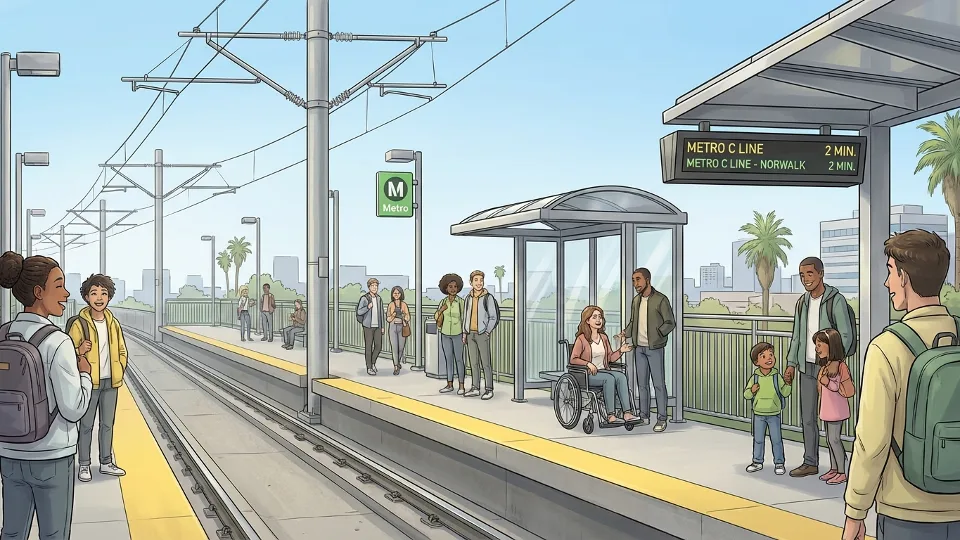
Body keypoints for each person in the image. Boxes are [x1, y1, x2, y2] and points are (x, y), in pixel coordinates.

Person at [843, 230, 960, 540]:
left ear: (904, 277)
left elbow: (872, 442)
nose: (887, 283)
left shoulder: (887, 347)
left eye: (890, 272)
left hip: (906, 512)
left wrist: (855, 512)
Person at [0, 252, 93, 540]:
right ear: (39, 292)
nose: (66, 294)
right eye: (59, 286)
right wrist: (85, 375)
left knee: (12, 533)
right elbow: (73, 408)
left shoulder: (3, 334)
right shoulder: (58, 341)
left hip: (9, 453)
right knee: (54, 535)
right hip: (52, 456)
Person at [783, 256, 856, 478]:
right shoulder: (802, 303)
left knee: (831, 419)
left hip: (828, 368)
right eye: (802, 275)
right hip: (806, 367)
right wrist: (791, 363)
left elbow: (845, 334)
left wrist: (835, 360)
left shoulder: (836, 301)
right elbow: (797, 336)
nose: (805, 279)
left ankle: (838, 467)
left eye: (810, 273)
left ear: (821, 274)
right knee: (807, 418)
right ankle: (810, 462)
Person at [68, 274, 128, 483]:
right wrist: (79, 350)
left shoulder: (113, 323)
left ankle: (105, 462)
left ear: (109, 297)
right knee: (86, 425)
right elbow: (67, 353)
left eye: (104, 293)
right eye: (94, 293)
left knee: (107, 424)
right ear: (86, 297)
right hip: (89, 382)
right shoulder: (79, 324)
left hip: (111, 381)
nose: (99, 298)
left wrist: (119, 368)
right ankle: (84, 464)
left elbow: (122, 349)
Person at [616, 267, 676, 433]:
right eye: (633, 280)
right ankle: (644, 416)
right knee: (642, 384)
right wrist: (624, 333)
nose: (635, 284)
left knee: (658, 384)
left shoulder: (661, 299)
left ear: (647, 280)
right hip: (639, 348)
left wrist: (658, 334)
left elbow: (670, 322)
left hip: (655, 348)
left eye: (638, 279)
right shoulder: (636, 301)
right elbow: (633, 322)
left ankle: (662, 418)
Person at [569, 306, 637, 425]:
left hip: (603, 371)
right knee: (609, 379)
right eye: (594, 317)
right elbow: (573, 359)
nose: (598, 320)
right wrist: (588, 364)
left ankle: (627, 413)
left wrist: (621, 351)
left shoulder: (604, 338)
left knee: (621, 376)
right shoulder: (581, 339)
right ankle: (611, 415)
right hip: (587, 374)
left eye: (600, 317)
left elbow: (610, 358)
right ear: (587, 320)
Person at [813, 328, 854, 486]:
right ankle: (834, 468)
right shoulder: (826, 365)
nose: (817, 349)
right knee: (830, 440)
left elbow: (836, 387)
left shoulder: (839, 366)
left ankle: (842, 472)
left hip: (837, 409)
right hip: (828, 408)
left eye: (820, 345)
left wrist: (825, 381)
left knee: (834, 439)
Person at [743, 341, 791, 476]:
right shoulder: (755, 378)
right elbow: (746, 394)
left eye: (771, 355)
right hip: (758, 414)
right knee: (758, 440)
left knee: (777, 440)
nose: (769, 358)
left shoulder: (776, 376)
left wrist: (788, 384)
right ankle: (757, 462)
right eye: (763, 356)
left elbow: (785, 392)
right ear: (756, 362)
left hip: (774, 413)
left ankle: (779, 463)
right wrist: (752, 390)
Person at [462, 270, 500, 400]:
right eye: (476, 280)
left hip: (482, 334)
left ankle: (489, 389)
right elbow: (465, 316)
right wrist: (464, 332)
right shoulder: (468, 298)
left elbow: (493, 317)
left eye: (481, 280)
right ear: (471, 282)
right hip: (470, 334)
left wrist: (487, 331)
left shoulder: (488, 298)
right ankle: (475, 388)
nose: (479, 283)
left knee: (486, 363)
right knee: (473, 363)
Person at [435, 273, 466, 395]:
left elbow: (464, 318)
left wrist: (465, 333)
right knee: (448, 359)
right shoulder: (443, 302)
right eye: (450, 286)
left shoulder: (461, 302)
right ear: (445, 288)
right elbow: (436, 317)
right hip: (445, 333)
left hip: (458, 333)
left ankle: (461, 385)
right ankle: (449, 384)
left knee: (459, 359)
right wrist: (441, 310)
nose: (453, 289)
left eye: (455, 286)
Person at [356, 278, 385, 376]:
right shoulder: (364, 298)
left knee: (378, 346)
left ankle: (372, 363)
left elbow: (381, 313)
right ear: (369, 287)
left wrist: (382, 326)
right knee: (368, 347)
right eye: (372, 286)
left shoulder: (379, 299)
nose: (375, 287)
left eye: (376, 286)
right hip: (368, 326)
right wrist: (367, 307)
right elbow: (359, 311)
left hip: (377, 326)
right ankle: (369, 367)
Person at [386, 286, 410, 376]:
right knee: (394, 347)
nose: (396, 295)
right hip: (393, 327)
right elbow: (388, 319)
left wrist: (404, 317)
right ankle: (396, 365)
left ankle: (398, 362)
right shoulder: (390, 305)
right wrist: (393, 315)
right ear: (392, 294)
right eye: (395, 293)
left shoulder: (404, 304)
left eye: (398, 293)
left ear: (401, 294)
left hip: (402, 327)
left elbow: (408, 316)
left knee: (401, 347)